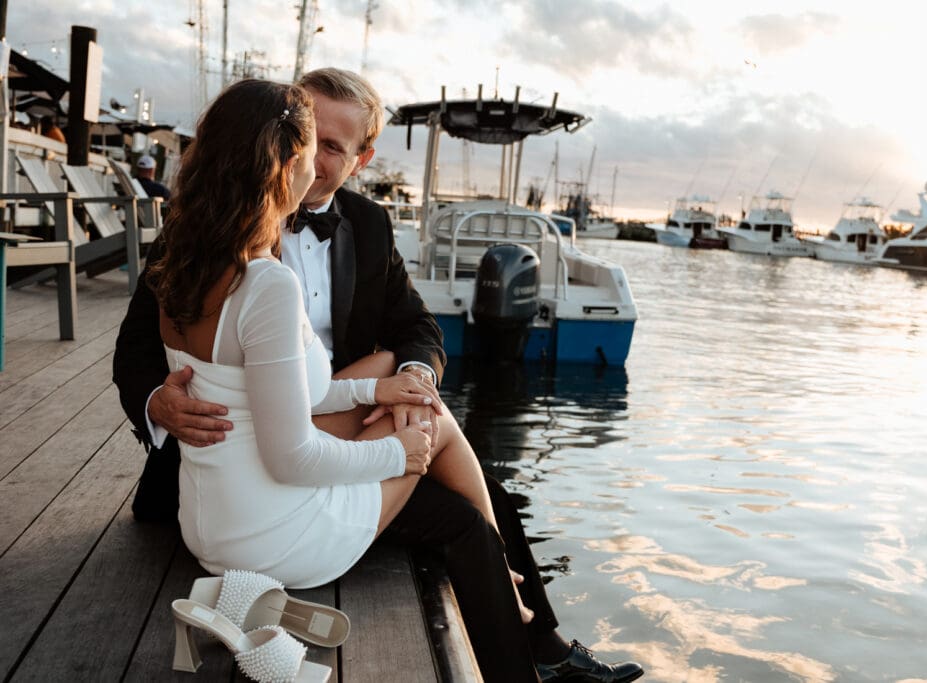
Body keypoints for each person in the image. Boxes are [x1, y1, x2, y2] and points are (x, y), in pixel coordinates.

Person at [112, 71, 642, 683]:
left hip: (309, 433)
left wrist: (407, 381)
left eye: (335, 147)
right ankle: (530, 642)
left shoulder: (364, 224)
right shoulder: (206, 237)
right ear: (283, 148)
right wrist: (158, 403)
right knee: (462, 508)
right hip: (248, 465)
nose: (318, 157)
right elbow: (133, 349)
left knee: (458, 454)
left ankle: (542, 643)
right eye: (312, 138)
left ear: (362, 158)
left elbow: (416, 327)